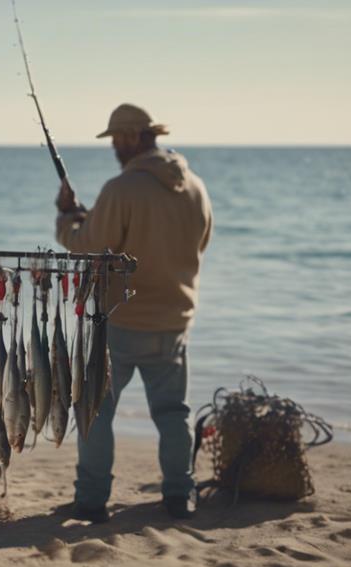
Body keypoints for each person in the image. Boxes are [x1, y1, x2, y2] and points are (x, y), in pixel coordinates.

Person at [55, 103, 213, 522]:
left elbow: (88, 246)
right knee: (173, 411)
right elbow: (199, 243)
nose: (114, 149)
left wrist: (67, 217)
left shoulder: (120, 189)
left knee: (93, 408)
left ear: (130, 138)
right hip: (175, 320)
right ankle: (180, 495)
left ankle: (91, 500)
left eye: (116, 140)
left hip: (120, 323)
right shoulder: (195, 186)